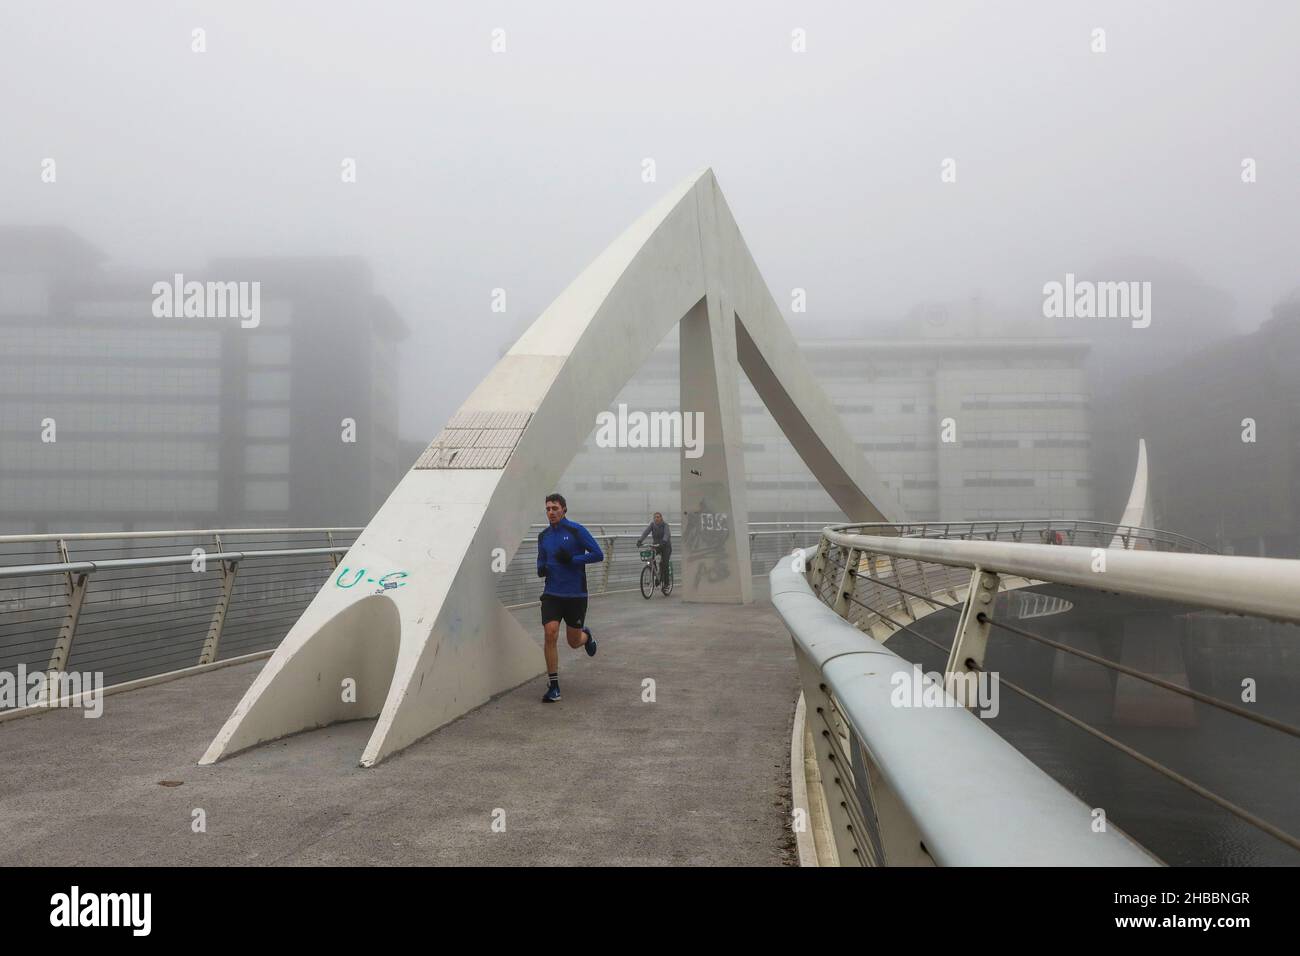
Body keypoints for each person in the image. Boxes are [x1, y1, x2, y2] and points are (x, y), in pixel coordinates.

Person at [535, 492, 603, 703]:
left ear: (564, 509)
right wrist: (541, 569)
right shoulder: (543, 536)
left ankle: (587, 636)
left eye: (555, 508)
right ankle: (554, 686)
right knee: (550, 633)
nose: (551, 512)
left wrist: (573, 559)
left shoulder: (576, 530)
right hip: (552, 593)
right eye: (547, 509)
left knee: (573, 642)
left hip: (575, 594)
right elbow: (540, 562)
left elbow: (598, 554)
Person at [636, 511, 672, 581]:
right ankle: (656, 573)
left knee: (665, 564)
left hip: (665, 546)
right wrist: (640, 541)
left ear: (661, 518)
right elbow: (646, 532)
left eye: (658, 517)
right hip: (656, 546)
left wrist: (664, 541)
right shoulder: (652, 525)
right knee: (651, 557)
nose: (656, 519)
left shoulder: (665, 525)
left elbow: (666, 534)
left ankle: (666, 583)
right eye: (655, 517)